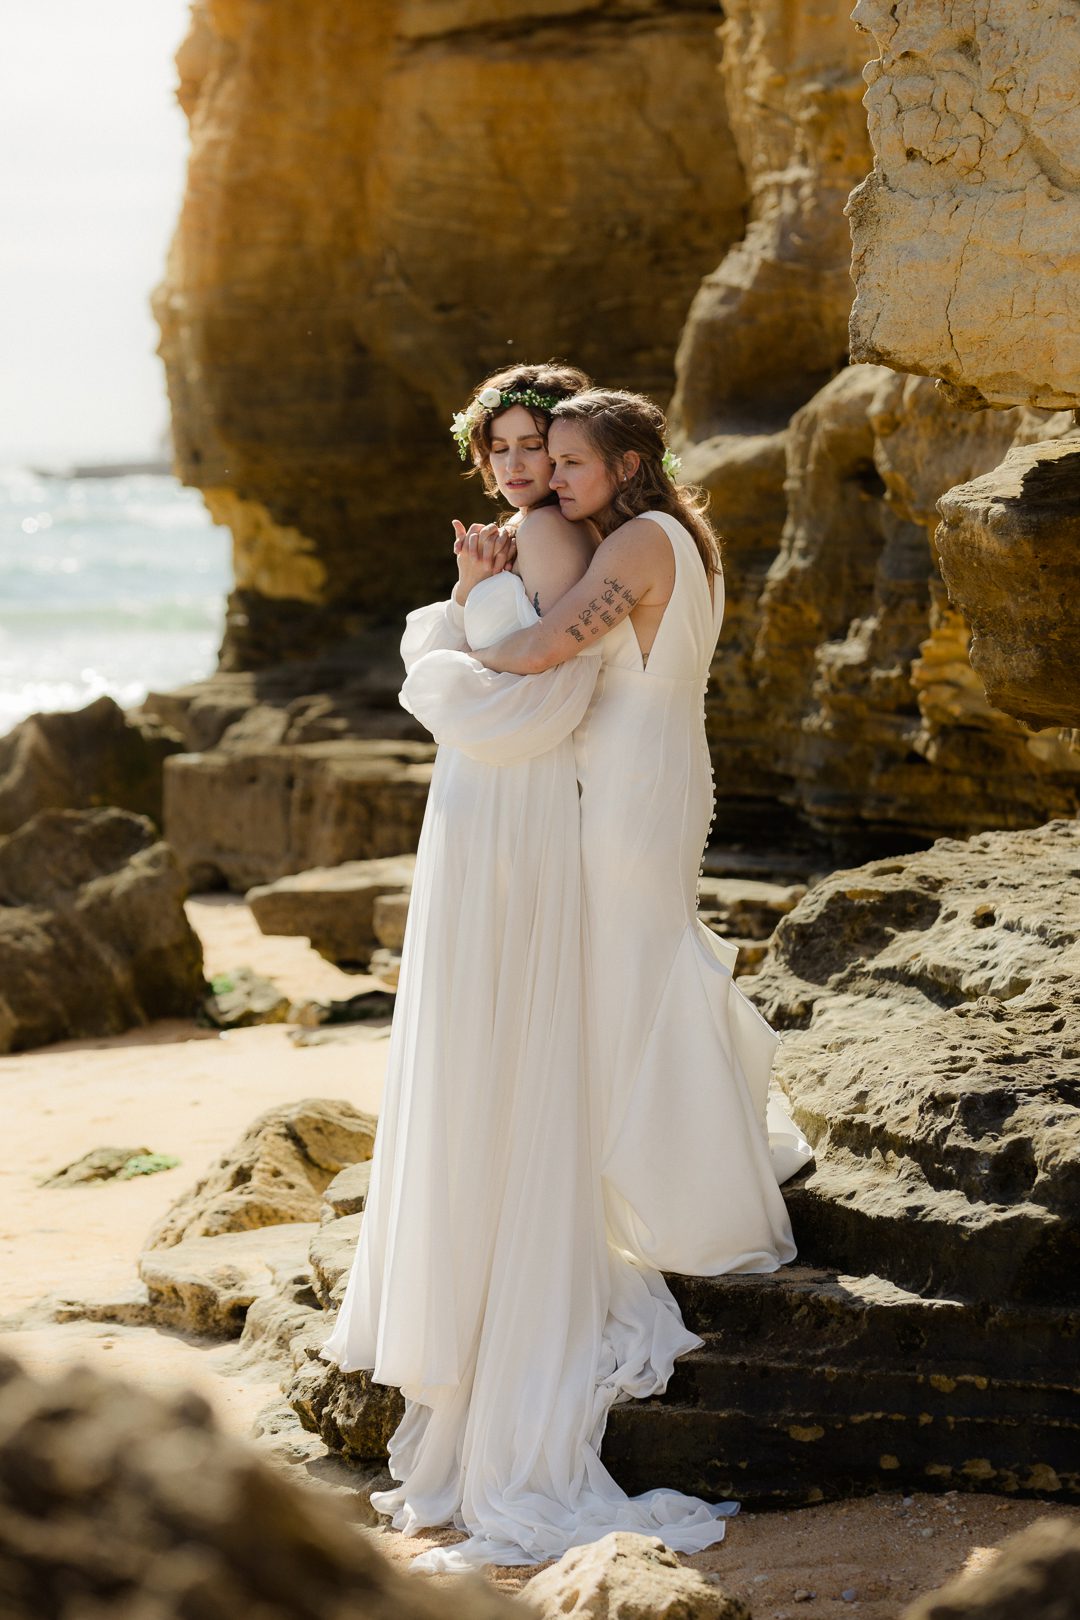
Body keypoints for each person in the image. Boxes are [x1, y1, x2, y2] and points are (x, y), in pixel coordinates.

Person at [475, 388, 813, 1276]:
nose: (552, 474)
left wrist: (470, 636)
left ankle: (698, 1207)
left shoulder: (636, 540)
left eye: (572, 460)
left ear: (628, 466)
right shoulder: (683, 537)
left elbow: (549, 645)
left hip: (635, 782)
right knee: (645, 963)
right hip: (660, 765)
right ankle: (692, 1172)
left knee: (632, 975)